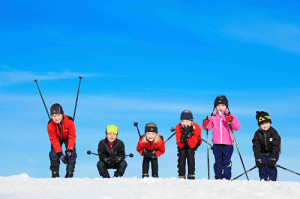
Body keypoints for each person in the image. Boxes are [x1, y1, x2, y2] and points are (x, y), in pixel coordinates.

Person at [202, 96, 240, 180]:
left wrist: (231, 120)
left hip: (228, 143)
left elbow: (237, 127)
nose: (220, 107)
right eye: (218, 105)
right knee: (218, 161)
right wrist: (205, 124)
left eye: (223, 105)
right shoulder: (213, 117)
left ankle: (226, 178)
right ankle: (218, 178)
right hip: (217, 143)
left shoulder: (231, 116)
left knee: (226, 161)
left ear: (226, 106)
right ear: (215, 107)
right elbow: (207, 128)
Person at [47, 103, 77, 178]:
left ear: (62, 114)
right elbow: (54, 140)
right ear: (51, 116)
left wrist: (69, 150)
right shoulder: (50, 125)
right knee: (53, 154)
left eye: (58, 115)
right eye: (54, 116)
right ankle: (55, 173)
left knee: (72, 154)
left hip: (68, 138)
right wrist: (60, 154)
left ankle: (69, 173)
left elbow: (72, 136)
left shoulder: (70, 122)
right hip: (57, 139)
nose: (56, 118)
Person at [252, 111, 281, 181]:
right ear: (259, 125)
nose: (265, 126)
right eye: (262, 124)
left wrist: (273, 158)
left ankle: (273, 180)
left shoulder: (273, 132)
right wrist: (257, 159)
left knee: (271, 167)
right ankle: (263, 181)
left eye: (266, 123)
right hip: (262, 155)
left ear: (270, 122)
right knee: (262, 168)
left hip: (272, 154)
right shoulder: (257, 134)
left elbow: (276, 146)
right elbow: (256, 147)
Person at [175, 110, 202, 179]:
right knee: (182, 154)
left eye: (187, 121)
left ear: (191, 121)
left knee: (190, 153)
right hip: (183, 144)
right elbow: (180, 145)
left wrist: (188, 135)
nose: (185, 123)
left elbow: (192, 145)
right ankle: (181, 176)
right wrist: (184, 137)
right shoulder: (177, 127)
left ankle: (191, 175)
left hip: (194, 143)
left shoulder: (197, 128)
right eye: (183, 121)